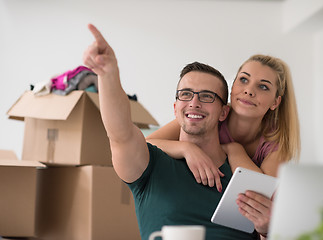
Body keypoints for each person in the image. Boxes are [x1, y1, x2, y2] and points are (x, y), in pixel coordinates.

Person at [83, 24, 259, 240]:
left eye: (207, 96)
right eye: (186, 94)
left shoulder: (241, 171)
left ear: (224, 112)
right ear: (175, 108)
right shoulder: (151, 165)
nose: (194, 103)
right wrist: (109, 73)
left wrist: (267, 228)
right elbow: (121, 133)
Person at [146, 54, 301, 239]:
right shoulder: (207, 114)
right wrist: (187, 149)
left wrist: (234, 150)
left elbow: (260, 201)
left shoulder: (275, 146)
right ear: (232, 87)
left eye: (263, 86)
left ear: (275, 102)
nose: (249, 91)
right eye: (243, 80)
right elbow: (146, 144)